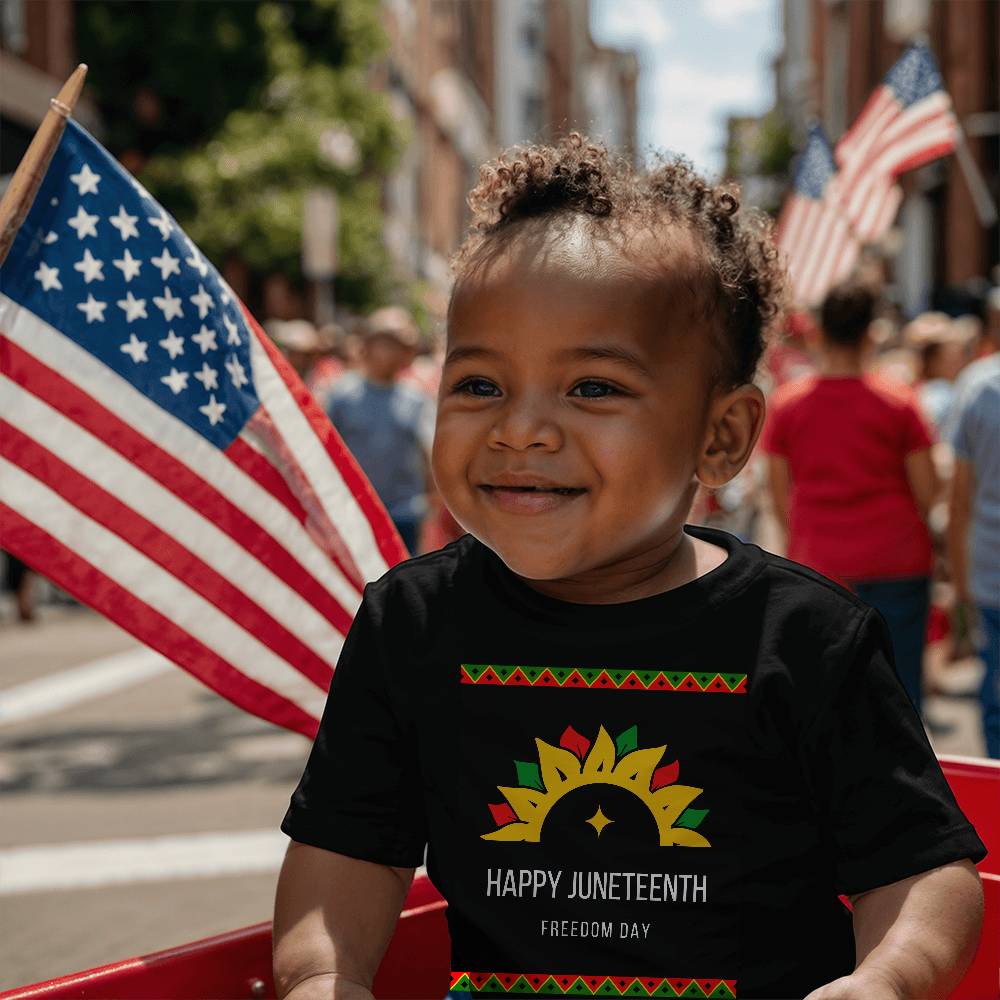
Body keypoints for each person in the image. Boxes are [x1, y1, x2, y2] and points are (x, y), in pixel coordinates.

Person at [274, 135, 984, 1000]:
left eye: (594, 389)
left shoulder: (806, 637)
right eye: (479, 385)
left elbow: (920, 873)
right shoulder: (410, 624)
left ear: (719, 438)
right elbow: (348, 854)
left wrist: (887, 979)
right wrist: (319, 975)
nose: (521, 429)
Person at [761, 280, 939, 717]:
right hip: (898, 561)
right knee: (899, 694)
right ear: (870, 333)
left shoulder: (789, 405)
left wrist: (801, 541)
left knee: (824, 693)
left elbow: (778, 494)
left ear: (819, 332)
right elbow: (929, 492)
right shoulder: (900, 403)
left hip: (819, 564)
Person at [325, 306, 435, 555]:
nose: (394, 353)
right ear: (368, 346)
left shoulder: (417, 399)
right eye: (387, 343)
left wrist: (433, 499)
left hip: (404, 513)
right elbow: (326, 449)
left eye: (401, 346)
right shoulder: (343, 396)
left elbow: (429, 453)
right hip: (355, 511)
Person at [946, 342, 1000, 759]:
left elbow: (959, 500)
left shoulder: (979, 386)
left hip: (990, 568)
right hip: (989, 568)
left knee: (996, 689)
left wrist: (961, 587)